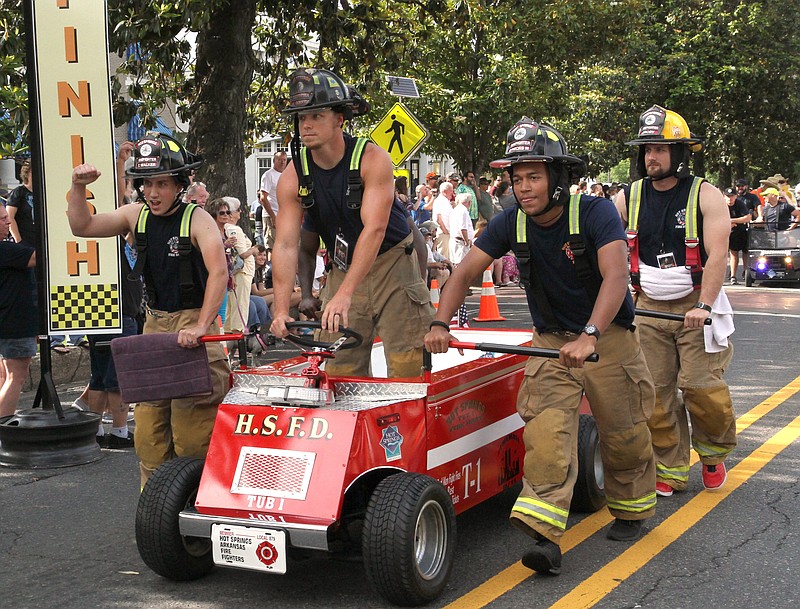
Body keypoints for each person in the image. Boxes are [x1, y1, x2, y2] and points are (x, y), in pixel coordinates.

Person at [425, 117, 656, 576]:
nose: (523, 187)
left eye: (533, 176)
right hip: (551, 343)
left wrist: (590, 334)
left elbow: (615, 277)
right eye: (517, 177)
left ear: (558, 178)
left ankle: (632, 508)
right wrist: (438, 321)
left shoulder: (595, 212)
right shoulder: (510, 221)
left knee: (625, 435)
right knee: (546, 434)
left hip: (607, 339)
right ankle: (544, 536)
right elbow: (465, 273)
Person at [66, 132, 230, 486]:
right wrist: (78, 187)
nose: (153, 193)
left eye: (162, 184)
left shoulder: (198, 219)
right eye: (146, 184)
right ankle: (156, 515)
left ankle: (196, 514)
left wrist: (202, 326)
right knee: (150, 432)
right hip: (155, 325)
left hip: (194, 326)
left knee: (192, 434)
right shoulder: (135, 215)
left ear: (180, 184)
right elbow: (82, 226)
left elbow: (219, 272)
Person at [269, 67, 434, 378]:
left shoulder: (372, 159)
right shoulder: (293, 173)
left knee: (408, 368)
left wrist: (344, 295)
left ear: (339, 119)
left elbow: (375, 229)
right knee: (337, 370)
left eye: (317, 115)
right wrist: (280, 310)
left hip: (392, 264)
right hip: (343, 267)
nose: (306, 123)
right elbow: (287, 243)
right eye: (301, 116)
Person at [616, 105, 736, 498]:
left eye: (662, 149)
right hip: (647, 306)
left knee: (700, 386)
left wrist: (704, 305)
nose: (652, 157)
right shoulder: (628, 196)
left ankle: (714, 453)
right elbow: (601, 239)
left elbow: (717, 255)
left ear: (681, 154)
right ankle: (669, 467)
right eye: (647, 149)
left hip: (696, 306)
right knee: (656, 392)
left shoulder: (707, 195)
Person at [0, 204, 37, 417]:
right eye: (3, 218)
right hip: (15, 323)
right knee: (16, 377)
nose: (8, 221)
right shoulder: (5, 250)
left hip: (8, 321)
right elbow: (37, 257)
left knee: (5, 377)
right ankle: (4, 432)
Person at [259, 151, 288, 254]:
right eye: (279, 160)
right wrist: (273, 217)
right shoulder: (268, 175)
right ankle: (272, 269)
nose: (282, 162)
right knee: (273, 247)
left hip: (285, 216)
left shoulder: (287, 175)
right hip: (272, 215)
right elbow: (263, 198)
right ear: (274, 161)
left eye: (284, 160)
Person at [724, 186, 750, 284]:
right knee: (732, 253)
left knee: (745, 252)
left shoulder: (740, 204)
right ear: (724, 196)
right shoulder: (720, 205)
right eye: (728, 196)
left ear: (735, 196)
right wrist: (728, 224)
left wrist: (733, 221)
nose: (730, 199)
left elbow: (747, 217)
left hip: (740, 231)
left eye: (732, 196)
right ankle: (732, 276)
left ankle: (746, 272)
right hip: (726, 232)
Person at [6, 160, 35, 246]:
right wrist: (18, 240)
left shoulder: (43, 193)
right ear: (27, 173)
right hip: (25, 241)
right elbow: (10, 217)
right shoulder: (19, 192)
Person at [449, 192, 474, 264]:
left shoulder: (455, 210)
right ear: (469, 202)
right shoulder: (463, 211)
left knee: (456, 264)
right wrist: (466, 242)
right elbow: (463, 228)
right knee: (461, 264)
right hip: (461, 242)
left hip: (455, 241)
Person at [432, 181, 455, 259]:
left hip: (448, 233)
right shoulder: (439, 201)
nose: (452, 192)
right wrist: (445, 231)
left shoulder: (446, 201)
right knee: (443, 257)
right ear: (444, 191)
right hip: (444, 234)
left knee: (448, 256)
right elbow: (438, 219)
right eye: (451, 190)